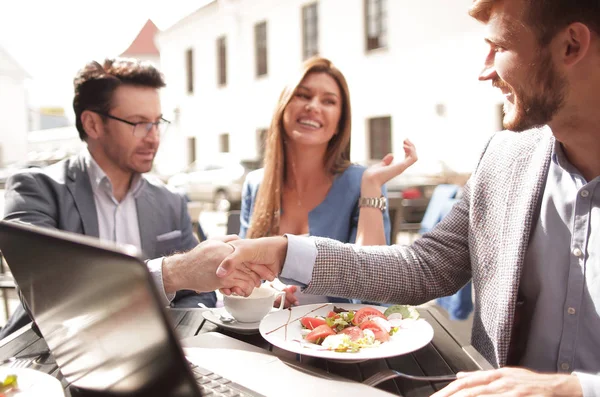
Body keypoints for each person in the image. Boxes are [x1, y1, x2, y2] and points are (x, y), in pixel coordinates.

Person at [215, 0, 600, 395]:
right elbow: (424, 265)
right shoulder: (505, 156)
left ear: (571, 45)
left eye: (499, 47)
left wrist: (575, 389)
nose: (485, 71)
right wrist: (283, 253)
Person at [0, 58, 257, 338]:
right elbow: (47, 294)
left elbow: (198, 294)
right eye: (139, 123)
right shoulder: (35, 189)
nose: (154, 137)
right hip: (46, 363)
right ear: (92, 124)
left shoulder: (170, 200)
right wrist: (173, 272)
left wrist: (179, 339)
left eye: (157, 122)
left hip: (155, 353)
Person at [239, 56, 417, 306]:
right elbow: (243, 276)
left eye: (328, 101)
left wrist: (371, 188)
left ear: (338, 123)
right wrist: (271, 296)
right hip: (267, 330)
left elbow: (371, 290)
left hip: (337, 337)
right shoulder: (255, 184)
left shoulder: (361, 183)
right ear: (283, 107)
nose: (313, 106)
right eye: (303, 95)